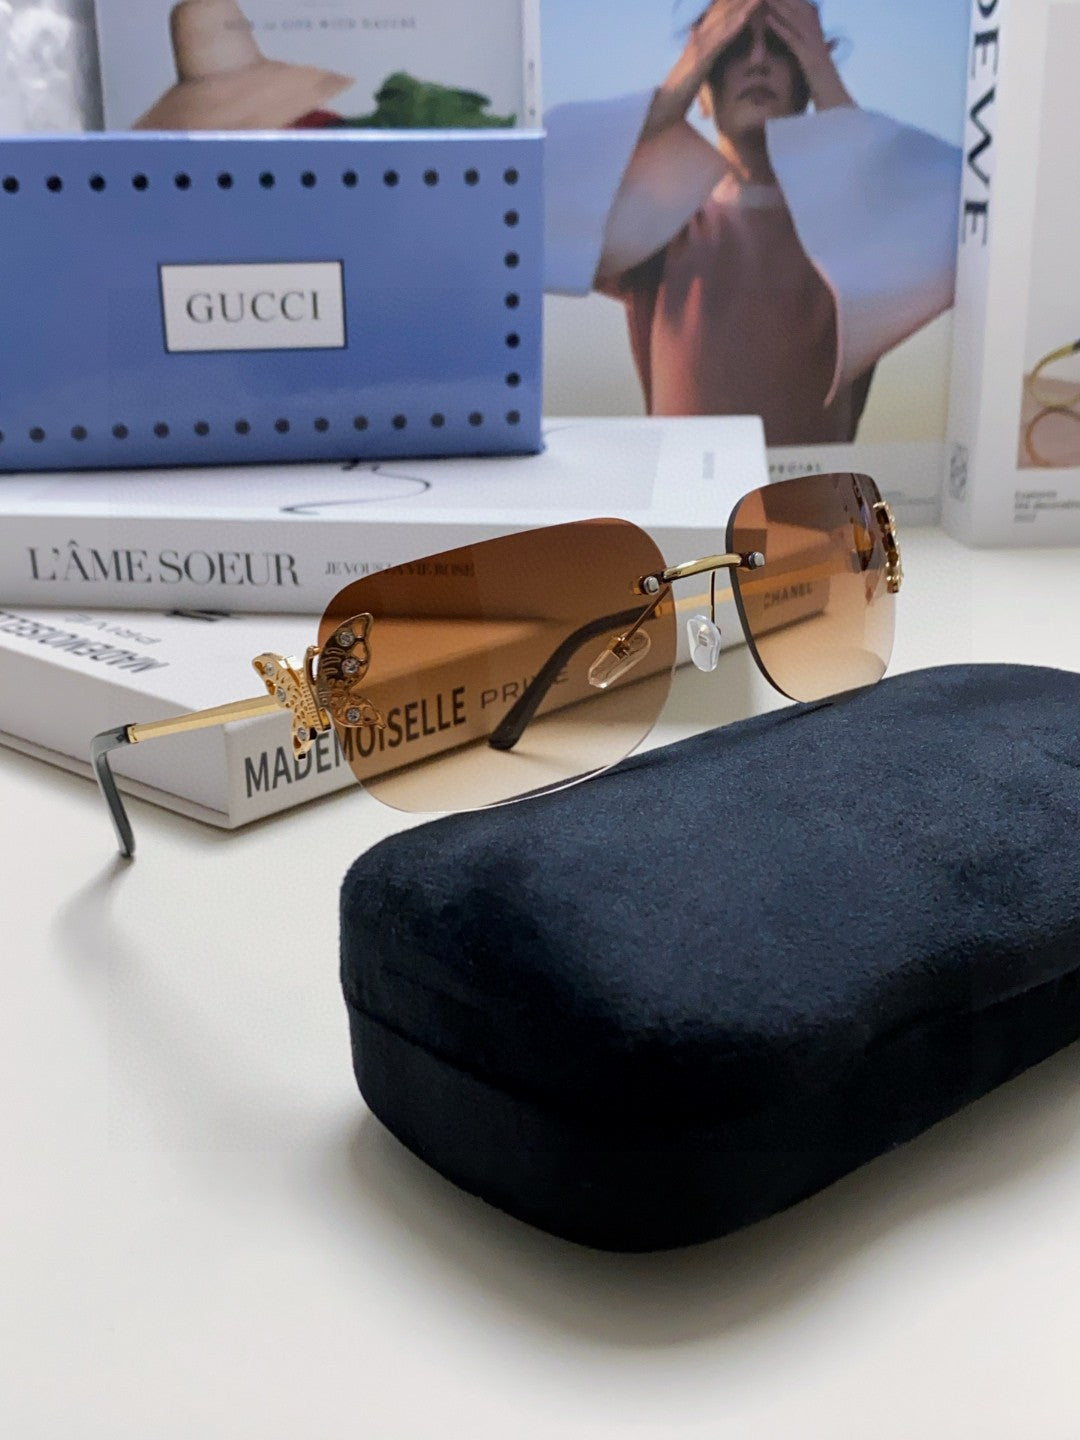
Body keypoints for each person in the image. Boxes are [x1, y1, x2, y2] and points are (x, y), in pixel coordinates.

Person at [544, 0, 962, 447]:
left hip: (811, 492)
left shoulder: (846, 231)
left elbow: (965, 213)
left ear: (805, 76)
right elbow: (527, 202)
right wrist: (671, 94)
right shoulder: (663, 227)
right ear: (703, 89)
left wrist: (825, 80)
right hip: (690, 489)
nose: (758, 61)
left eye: (780, 44)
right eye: (733, 46)